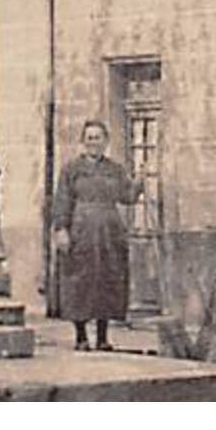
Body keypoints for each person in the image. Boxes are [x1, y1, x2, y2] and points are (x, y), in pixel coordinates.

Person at [53, 119, 143, 351]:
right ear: (83, 141)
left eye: (98, 138)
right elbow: (62, 200)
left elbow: (128, 197)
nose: (94, 142)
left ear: (106, 142)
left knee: (107, 280)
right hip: (81, 230)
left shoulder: (115, 170)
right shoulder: (71, 170)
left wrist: (139, 182)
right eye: (89, 138)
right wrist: (61, 229)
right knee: (80, 281)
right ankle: (81, 336)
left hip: (110, 233)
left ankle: (103, 337)